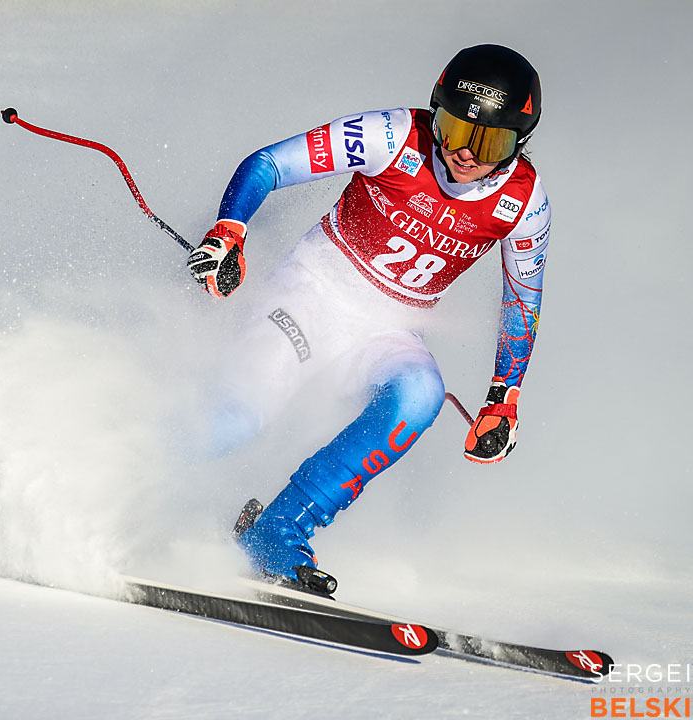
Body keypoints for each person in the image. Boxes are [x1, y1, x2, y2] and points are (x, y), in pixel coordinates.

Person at [186, 44, 550, 591]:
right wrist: (230, 230)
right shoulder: (393, 134)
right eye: (453, 129)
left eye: (490, 141)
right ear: (436, 112)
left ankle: (274, 535)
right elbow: (269, 164)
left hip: (386, 329)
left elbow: (523, 302)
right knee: (236, 422)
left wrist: (504, 397)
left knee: (421, 394)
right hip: (310, 296)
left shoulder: (525, 202)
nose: (466, 153)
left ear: (519, 143)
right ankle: (107, 471)